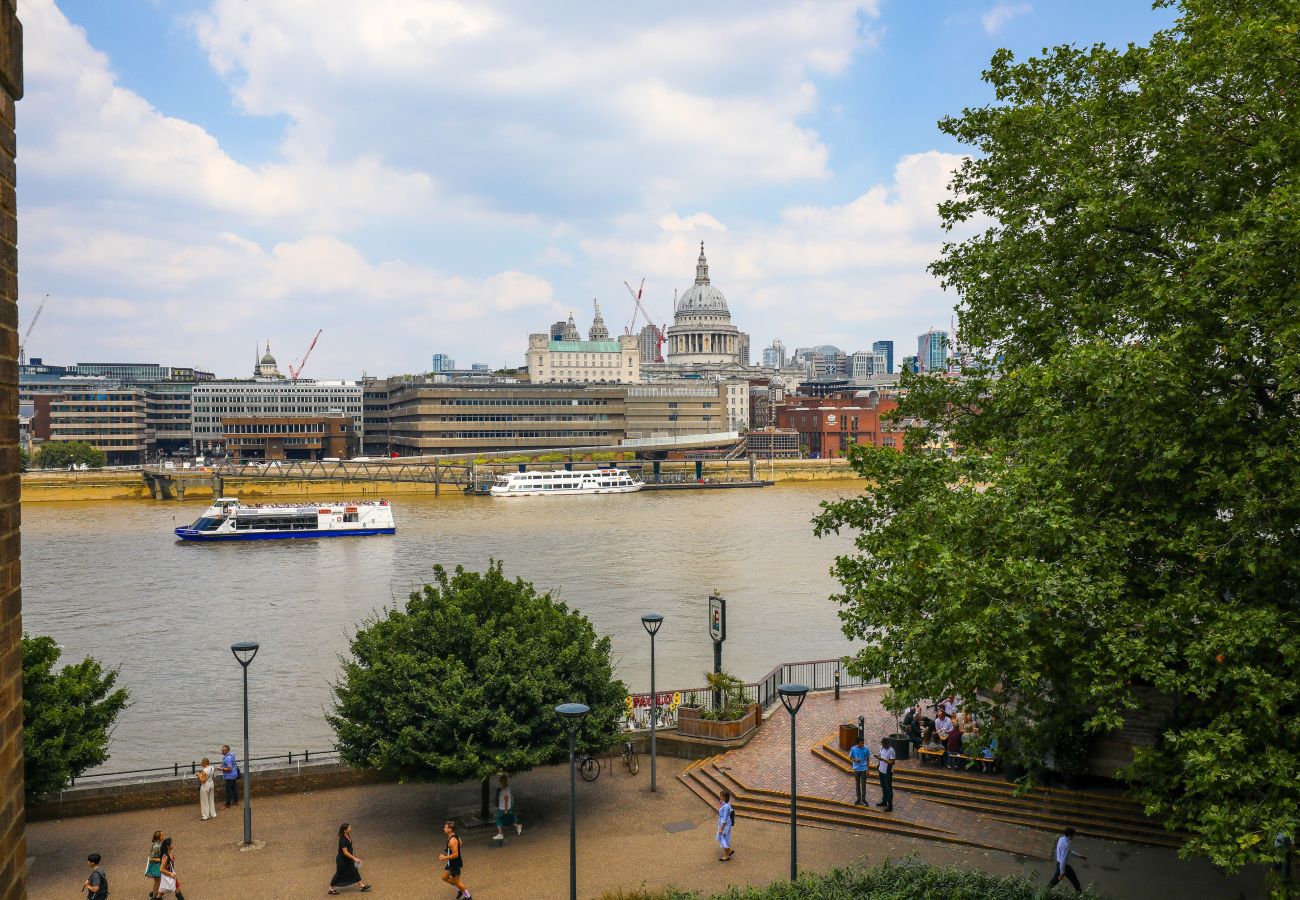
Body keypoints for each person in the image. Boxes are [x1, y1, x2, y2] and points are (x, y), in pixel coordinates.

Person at [329, 823, 372, 894]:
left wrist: (353, 857)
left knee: (354, 870)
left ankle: (361, 885)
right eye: (349, 828)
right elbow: (345, 852)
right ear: (344, 830)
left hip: (348, 859)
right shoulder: (342, 840)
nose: (350, 829)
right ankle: (330, 888)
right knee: (339, 874)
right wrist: (354, 858)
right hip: (342, 860)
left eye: (350, 827)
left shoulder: (347, 835)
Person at [1047, 826, 1087, 892]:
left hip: (1059, 864)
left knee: (1055, 880)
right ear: (1069, 835)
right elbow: (1063, 860)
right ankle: (1079, 894)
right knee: (1075, 882)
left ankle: (1045, 890)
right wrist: (1062, 873)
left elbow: (1069, 852)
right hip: (1065, 867)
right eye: (1073, 835)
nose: (1074, 837)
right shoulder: (1066, 845)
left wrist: (1080, 856)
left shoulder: (1061, 839)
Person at [440, 819, 471, 899]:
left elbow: (456, 854)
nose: (444, 828)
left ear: (450, 829)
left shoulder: (452, 840)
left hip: (455, 864)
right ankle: (460, 890)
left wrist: (444, 857)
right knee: (444, 877)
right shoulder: (453, 835)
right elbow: (460, 842)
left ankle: (468, 897)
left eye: (445, 827)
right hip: (451, 862)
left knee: (457, 882)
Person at [493, 774, 523, 841]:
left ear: (504, 781)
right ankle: (518, 826)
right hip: (506, 808)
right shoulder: (506, 788)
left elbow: (506, 799)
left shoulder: (504, 790)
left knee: (498, 820)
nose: (499, 782)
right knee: (509, 820)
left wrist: (506, 809)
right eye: (499, 780)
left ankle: (500, 834)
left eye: (501, 780)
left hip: (503, 808)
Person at [848, 736, 871, 805]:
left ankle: (863, 799)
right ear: (857, 743)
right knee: (857, 784)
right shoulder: (853, 749)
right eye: (861, 743)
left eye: (863, 743)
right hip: (856, 769)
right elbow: (850, 757)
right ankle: (858, 798)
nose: (862, 745)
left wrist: (868, 769)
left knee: (863, 785)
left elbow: (868, 759)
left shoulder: (866, 749)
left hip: (864, 769)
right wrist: (855, 760)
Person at [875, 736, 896, 812]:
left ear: (887, 743)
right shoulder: (882, 748)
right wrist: (878, 762)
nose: (883, 745)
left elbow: (892, 762)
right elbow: (880, 755)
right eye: (882, 744)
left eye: (884, 744)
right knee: (883, 787)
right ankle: (884, 801)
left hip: (887, 772)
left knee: (888, 789)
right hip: (881, 770)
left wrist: (882, 760)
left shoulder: (891, 751)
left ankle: (890, 805)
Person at [716, 788, 735, 861]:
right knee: (725, 838)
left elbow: (725, 818)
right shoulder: (725, 804)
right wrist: (721, 803)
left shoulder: (726, 806)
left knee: (720, 837)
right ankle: (727, 855)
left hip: (725, 825)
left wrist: (721, 828)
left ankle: (729, 851)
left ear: (723, 797)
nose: (719, 796)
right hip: (725, 824)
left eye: (720, 796)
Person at [145, 830, 163, 899]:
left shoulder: (159, 844)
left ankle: (154, 892)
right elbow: (151, 858)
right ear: (158, 837)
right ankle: (154, 896)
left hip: (157, 865)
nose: (163, 837)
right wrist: (159, 859)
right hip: (155, 866)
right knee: (157, 881)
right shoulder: (156, 846)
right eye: (162, 835)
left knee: (158, 880)